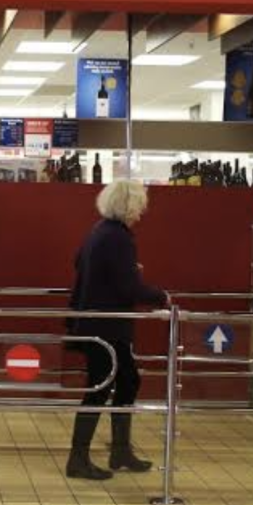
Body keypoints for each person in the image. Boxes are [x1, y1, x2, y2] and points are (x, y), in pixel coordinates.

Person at [65, 180, 169, 481]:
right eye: (140, 206)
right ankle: (79, 458)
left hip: (98, 324)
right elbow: (128, 286)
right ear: (129, 205)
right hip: (107, 327)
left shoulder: (99, 232)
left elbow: (79, 263)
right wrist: (159, 295)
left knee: (127, 380)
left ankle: (120, 450)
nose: (142, 212)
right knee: (100, 388)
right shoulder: (118, 238)